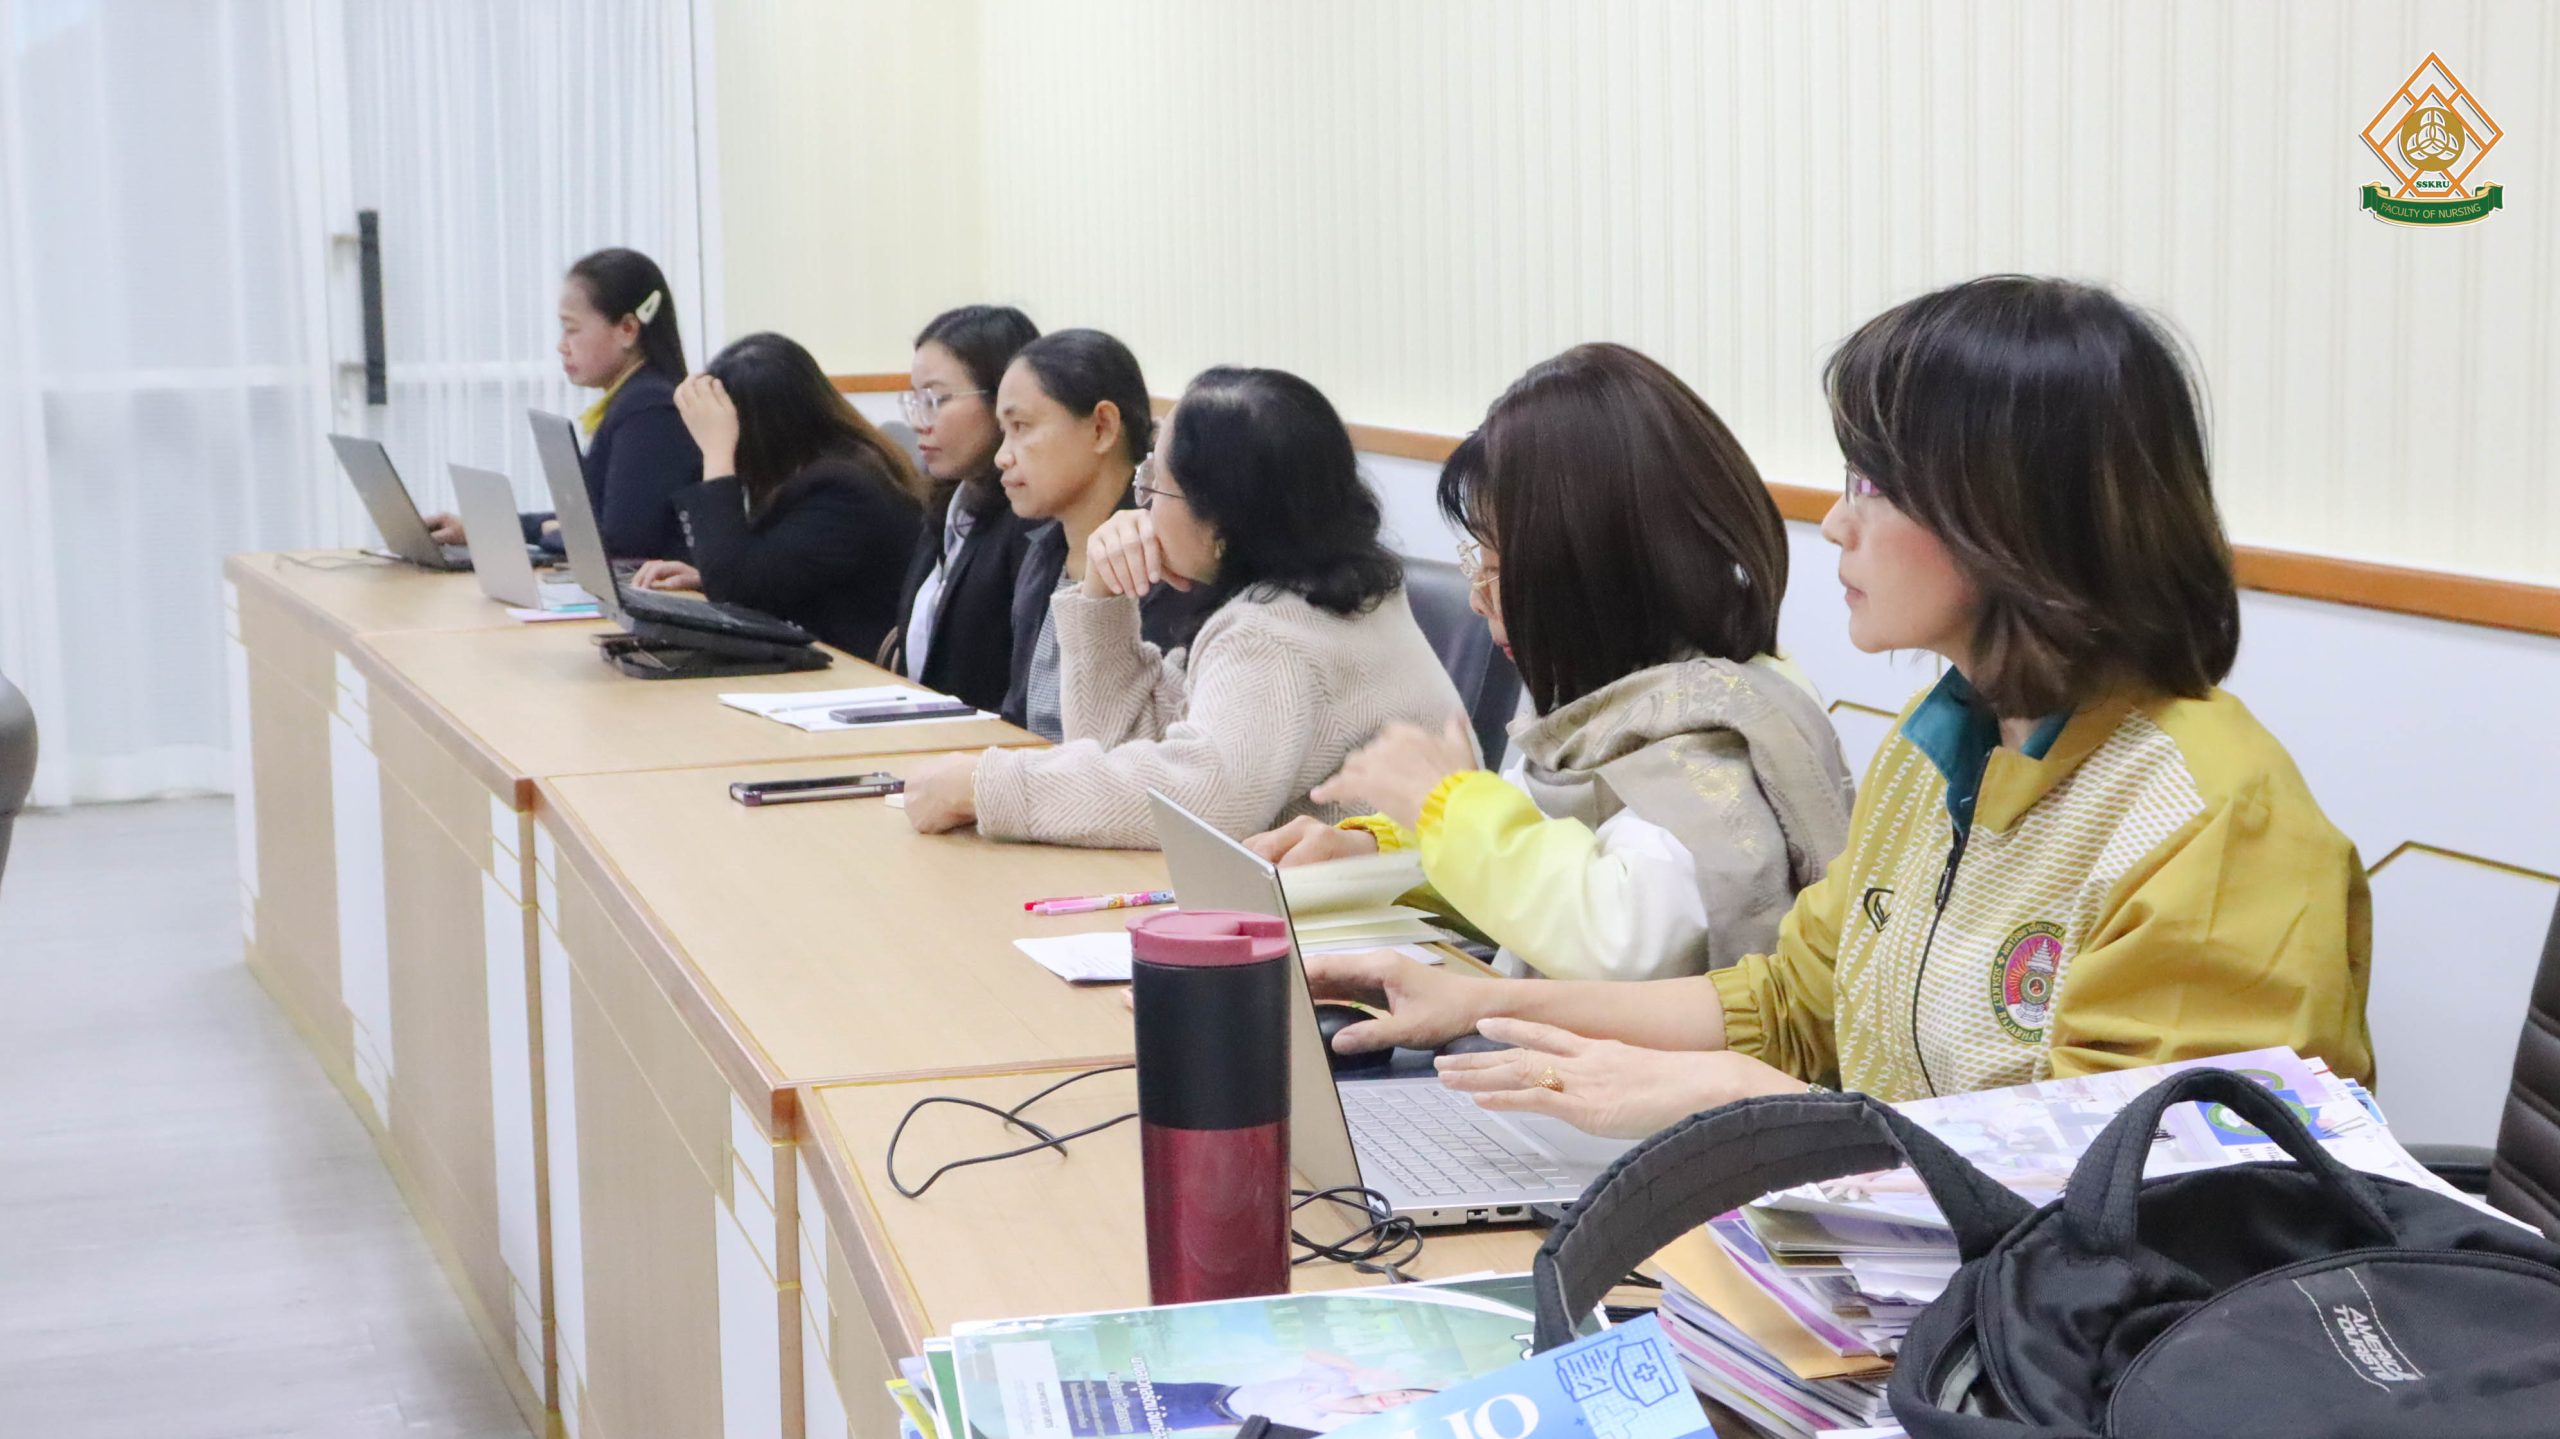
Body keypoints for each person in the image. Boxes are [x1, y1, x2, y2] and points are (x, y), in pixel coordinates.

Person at [1302, 276, 2376, 1137]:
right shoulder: (1939, 744)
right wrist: (1481, 1002)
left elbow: (2127, 1194)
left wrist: (1756, 1104)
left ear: (2010, 516)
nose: (1837, 524)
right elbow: (1788, 1002)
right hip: (1895, 1271)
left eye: (1873, 484)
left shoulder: (2207, 815)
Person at [1249, 343, 1855, 983]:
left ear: (1590, 568)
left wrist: (1448, 808)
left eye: (1496, 570)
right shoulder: (1624, 701)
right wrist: (1368, 851)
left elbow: (1620, 937)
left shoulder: (1708, 731)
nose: (1480, 602)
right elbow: (1530, 853)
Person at [901, 366, 1465, 847]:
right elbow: (1122, 745)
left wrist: (986, 786)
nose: (1142, 502)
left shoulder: (1279, 631)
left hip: (1396, 928)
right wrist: (1102, 596)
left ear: (1221, 519)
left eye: (1156, 482)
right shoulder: (1328, 593)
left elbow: (1200, 797)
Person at [978, 328, 1213, 738]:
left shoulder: (1166, 560)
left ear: (1102, 427)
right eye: (1004, 432)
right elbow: (1019, 720)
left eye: (1021, 426)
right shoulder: (1041, 551)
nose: (1002, 457)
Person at [628, 332, 922, 658]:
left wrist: (717, 453)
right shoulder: (819, 466)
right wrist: (704, 578)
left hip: (853, 669)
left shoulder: (843, 490)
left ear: (760, 429)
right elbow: (764, 572)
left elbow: (734, 591)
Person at [425, 247, 701, 559]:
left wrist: (553, 533)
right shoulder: (632, 400)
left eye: (572, 329)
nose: (562, 345)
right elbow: (589, 521)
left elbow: (618, 543)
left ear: (627, 329)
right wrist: (482, 527)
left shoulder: (649, 410)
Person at [880, 305, 1043, 713]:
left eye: (936, 399)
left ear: (1004, 399)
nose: (919, 422)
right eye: (915, 400)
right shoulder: (949, 500)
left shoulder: (1032, 523)